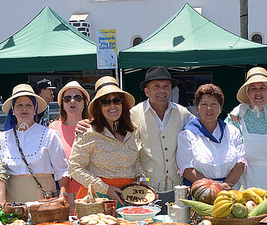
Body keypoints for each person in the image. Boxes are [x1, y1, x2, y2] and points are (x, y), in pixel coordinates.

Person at [69, 77, 143, 204]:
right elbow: (74, 168)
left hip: (130, 196)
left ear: (122, 104)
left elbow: (136, 161)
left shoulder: (132, 130)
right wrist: (106, 189)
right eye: (106, 102)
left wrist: (141, 177)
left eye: (116, 100)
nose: (112, 105)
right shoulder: (88, 131)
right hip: (98, 198)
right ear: (99, 106)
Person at [129, 67, 193, 204]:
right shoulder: (134, 114)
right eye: (156, 87)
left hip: (177, 188)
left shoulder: (183, 113)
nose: (162, 91)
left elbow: (203, 127)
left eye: (166, 86)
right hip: (146, 189)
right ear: (147, 91)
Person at [0, 84, 68, 203]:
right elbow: (0, 173)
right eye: (19, 105)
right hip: (13, 202)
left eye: (28, 105)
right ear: (13, 110)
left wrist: (62, 195)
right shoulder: (3, 138)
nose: (24, 109)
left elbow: (61, 170)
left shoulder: (49, 135)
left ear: (34, 109)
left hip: (44, 199)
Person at [227, 67, 267, 192]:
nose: (258, 93)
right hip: (245, 185)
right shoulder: (236, 118)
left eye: (262, 88)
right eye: (253, 89)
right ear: (247, 93)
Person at [176, 84, 245, 188]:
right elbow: (186, 169)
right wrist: (215, 188)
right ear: (197, 108)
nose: (209, 108)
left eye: (214, 104)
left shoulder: (232, 132)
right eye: (204, 104)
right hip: (199, 193)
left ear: (221, 108)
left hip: (229, 191)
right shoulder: (187, 135)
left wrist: (225, 186)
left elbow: (241, 163)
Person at [49, 81, 90, 205]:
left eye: (77, 98)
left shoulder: (94, 127)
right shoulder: (53, 128)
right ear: (62, 104)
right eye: (67, 99)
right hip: (62, 195)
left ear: (84, 103)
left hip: (90, 194)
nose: (72, 101)